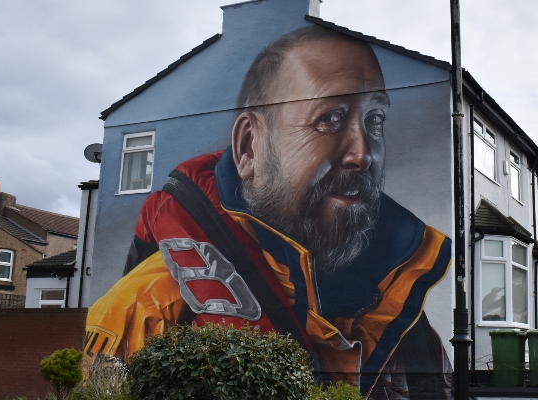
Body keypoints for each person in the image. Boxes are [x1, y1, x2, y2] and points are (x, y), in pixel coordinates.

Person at [86, 25, 452, 399]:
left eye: (374, 120)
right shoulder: (150, 306)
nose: (362, 154)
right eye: (329, 119)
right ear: (249, 147)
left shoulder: (400, 310)